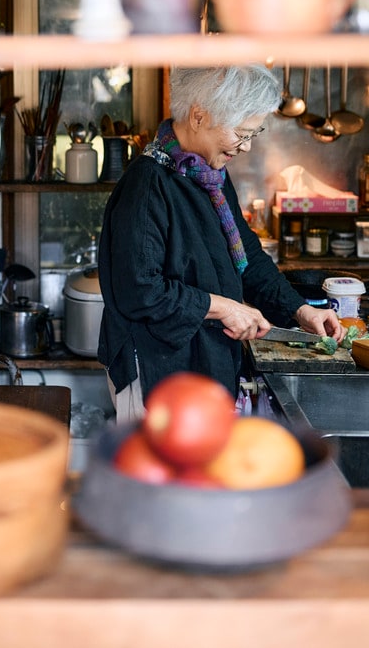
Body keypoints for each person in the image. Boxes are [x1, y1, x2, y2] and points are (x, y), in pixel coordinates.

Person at [98, 65, 344, 422]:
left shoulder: (208, 177)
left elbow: (246, 255)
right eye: (242, 134)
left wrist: (299, 310)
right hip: (158, 372)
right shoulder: (148, 184)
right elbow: (139, 291)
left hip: (201, 364)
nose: (246, 147)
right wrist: (224, 307)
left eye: (253, 134)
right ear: (199, 116)